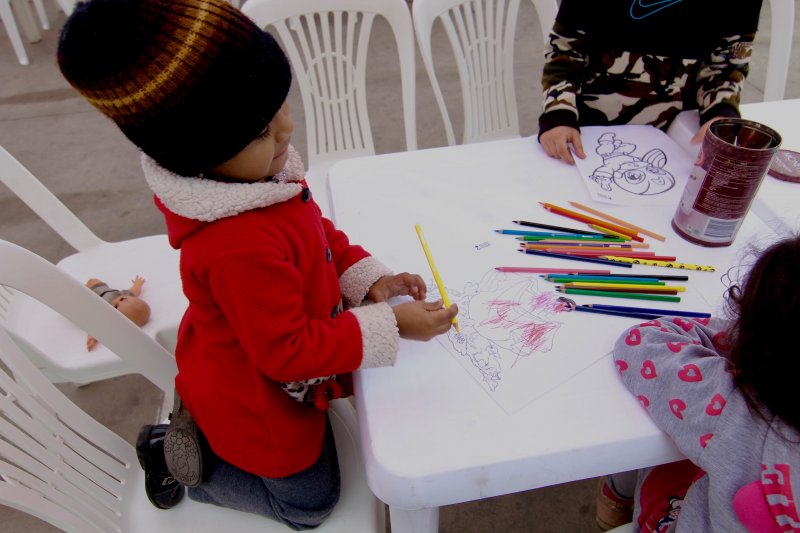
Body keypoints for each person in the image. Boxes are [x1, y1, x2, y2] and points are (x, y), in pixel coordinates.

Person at [57, 0, 458, 527]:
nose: (286, 132)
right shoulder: (233, 245)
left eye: (282, 108)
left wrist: (370, 279)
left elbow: (319, 234)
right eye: (261, 133)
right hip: (254, 399)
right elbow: (287, 353)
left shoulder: (258, 180)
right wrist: (390, 325)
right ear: (199, 156)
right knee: (311, 501)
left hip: (267, 353)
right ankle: (179, 461)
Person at [597, 235, 800, 531]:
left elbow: (642, 342)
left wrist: (743, 339)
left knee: (658, 437)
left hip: (675, 520)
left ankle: (615, 500)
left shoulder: (735, 417)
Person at [538, 0, 764, 165]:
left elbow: (726, 67)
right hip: (586, 135)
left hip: (677, 140)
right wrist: (558, 115)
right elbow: (565, 53)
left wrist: (720, 115)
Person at [85, 275, 150, 350]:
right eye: (122, 299)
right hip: (101, 289)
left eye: (116, 306)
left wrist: (92, 337)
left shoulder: (107, 315)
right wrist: (138, 284)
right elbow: (134, 291)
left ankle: (81, 290)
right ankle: (86, 286)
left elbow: (96, 325)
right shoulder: (126, 295)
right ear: (130, 297)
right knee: (93, 281)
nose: (116, 301)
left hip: (87, 300)